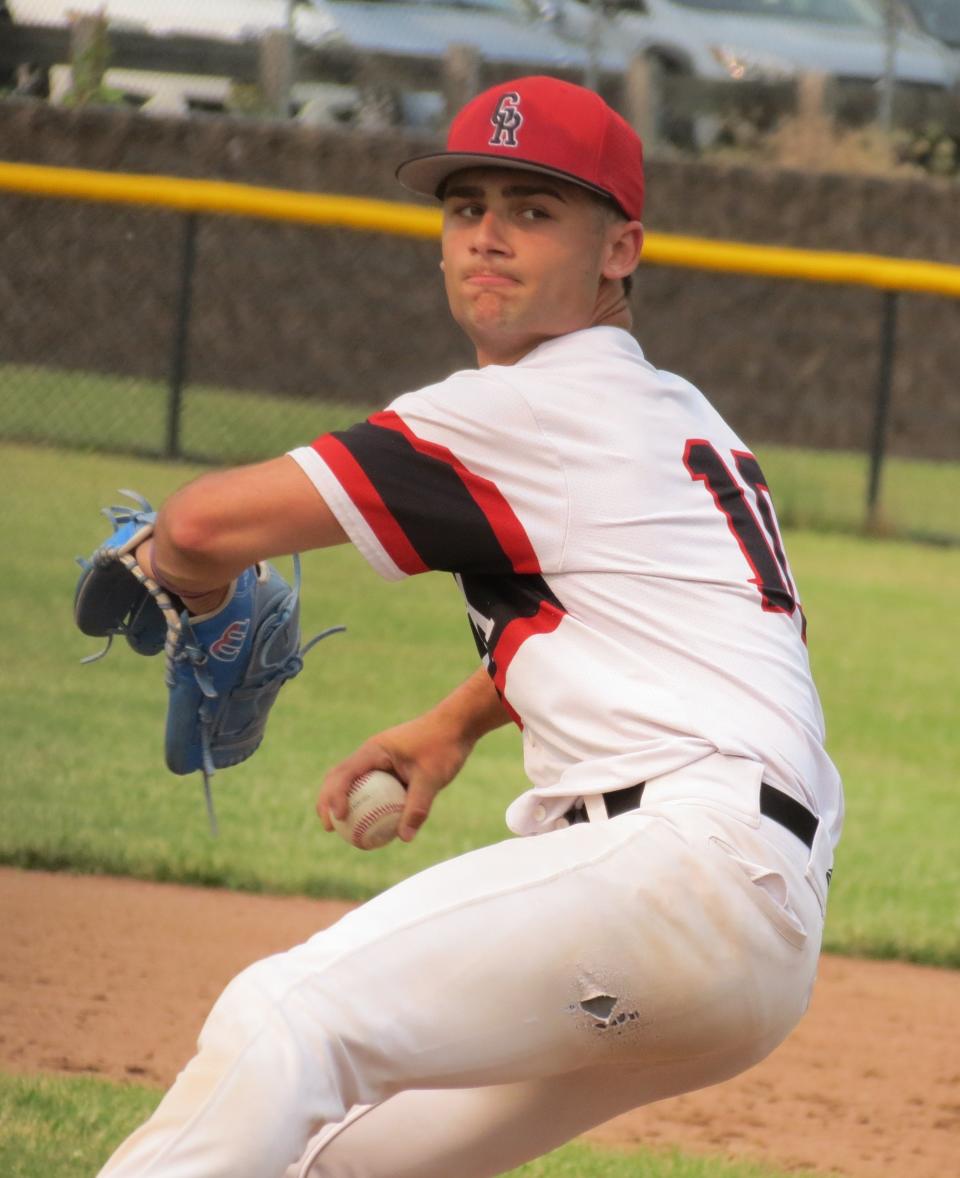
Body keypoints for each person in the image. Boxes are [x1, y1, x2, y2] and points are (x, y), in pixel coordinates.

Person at [97, 75, 843, 1178]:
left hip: (680, 867)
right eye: (466, 207)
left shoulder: (528, 403)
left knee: (287, 1016)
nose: (488, 236)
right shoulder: (678, 412)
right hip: (754, 935)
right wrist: (455, 721)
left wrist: (164, 569)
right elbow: (654, 622)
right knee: (341, 1159)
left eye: (533, 211)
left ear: (619, 248)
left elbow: (204, 526)